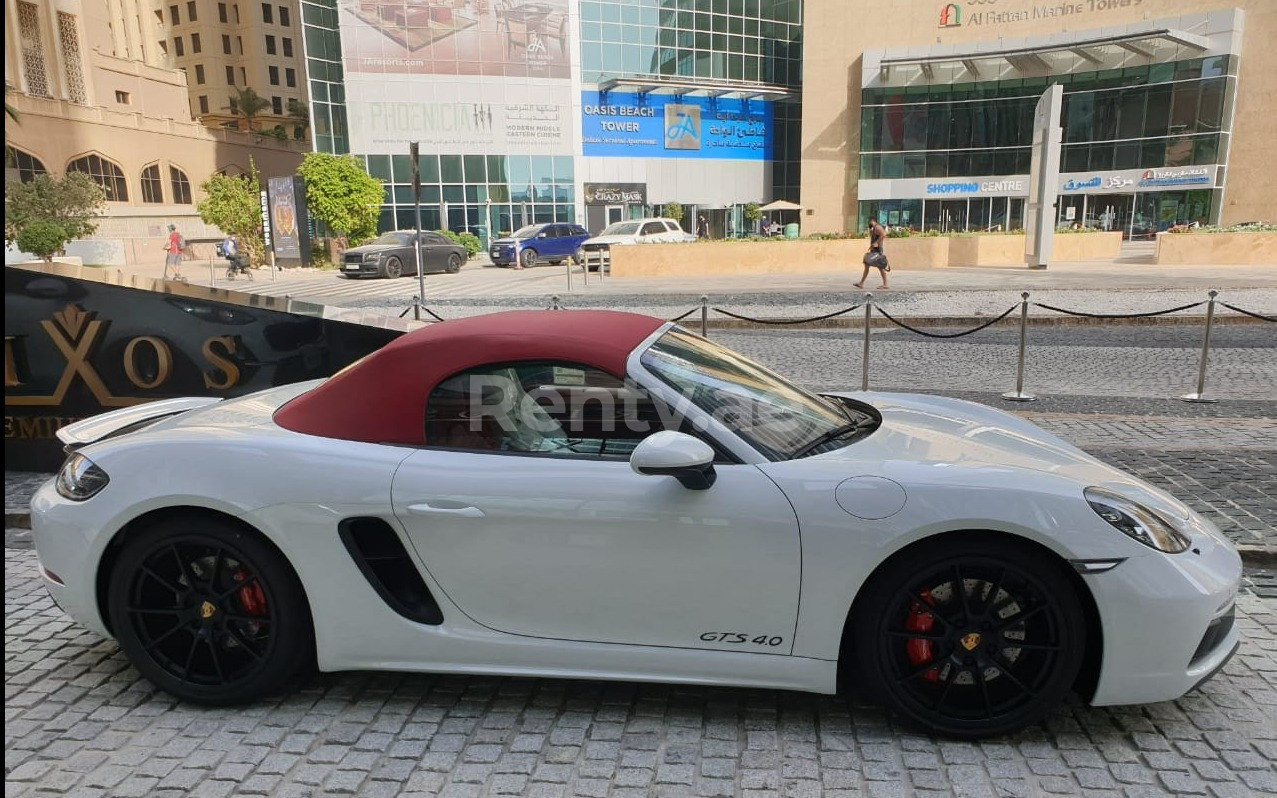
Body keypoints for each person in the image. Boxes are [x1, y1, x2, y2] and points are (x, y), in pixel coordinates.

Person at [853, 219, 890, 290]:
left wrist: (876, 242)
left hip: (878, 251)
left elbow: (884, 234)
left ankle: (885, 284)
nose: (868, 223)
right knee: (867, 264)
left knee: (880, 267)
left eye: (869, 222)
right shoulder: (873, 228)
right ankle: (861, 283)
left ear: (873, 221)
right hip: (874, 250)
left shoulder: (877, 227)